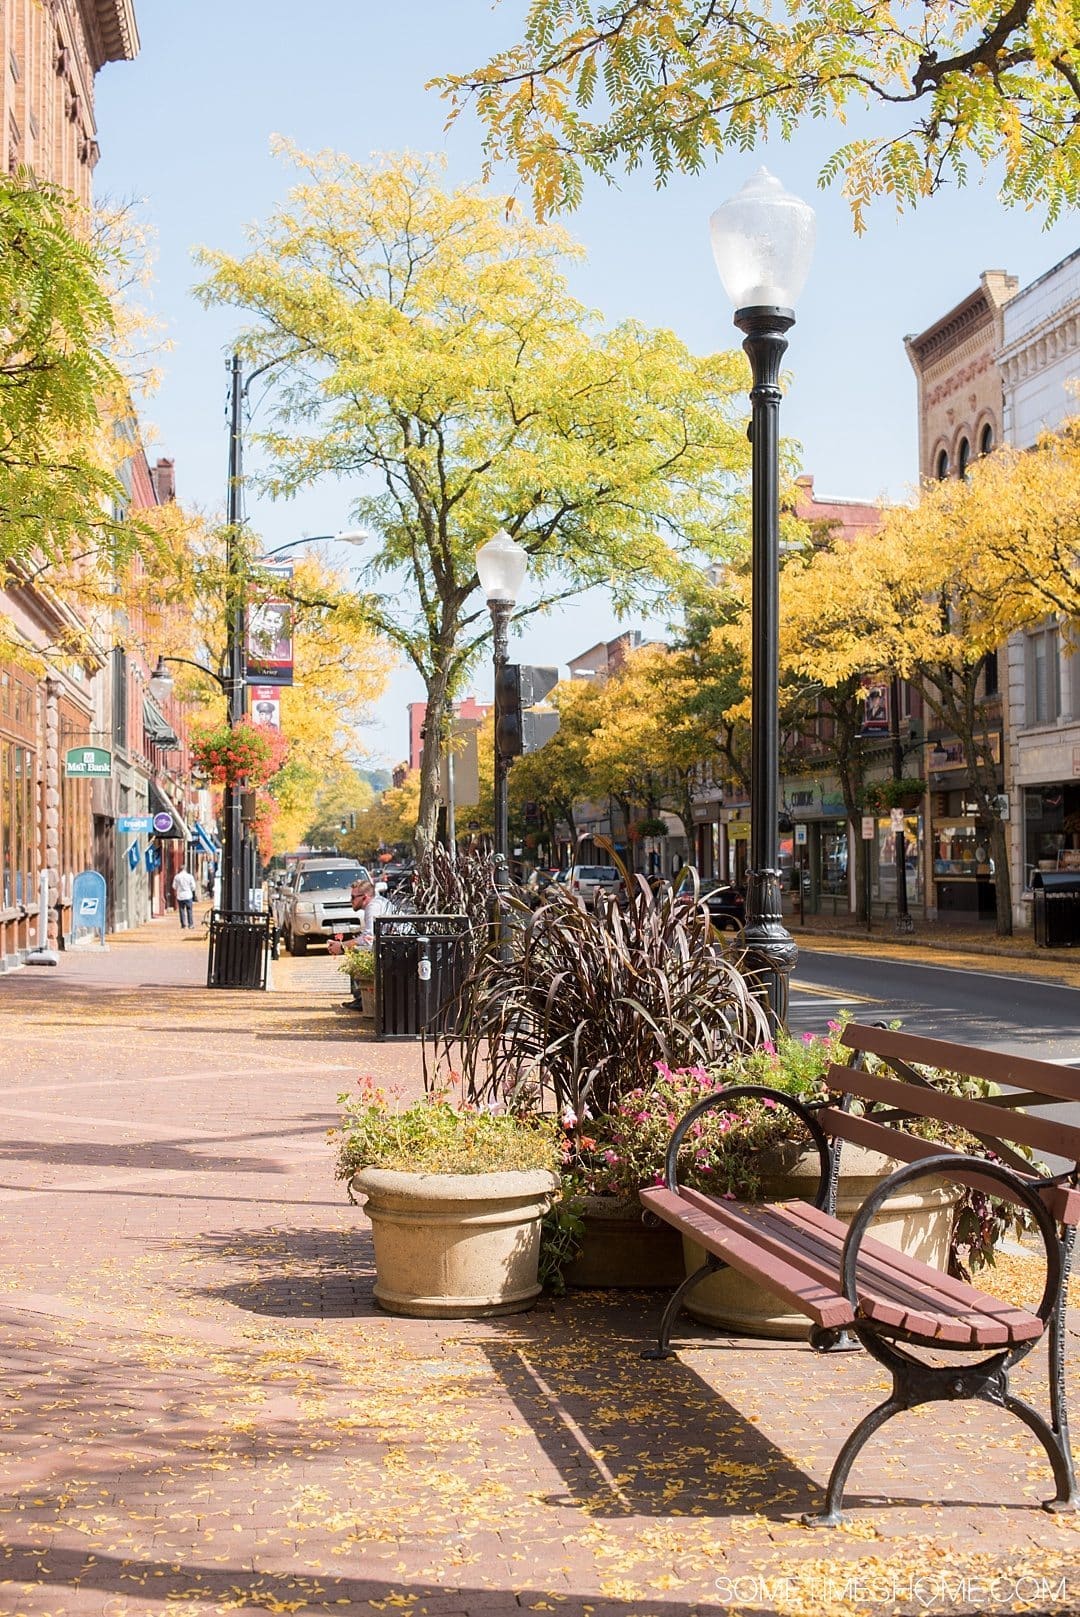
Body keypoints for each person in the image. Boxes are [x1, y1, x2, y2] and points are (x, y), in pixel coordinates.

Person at [350, 876, 391, 946]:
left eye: (353, 897)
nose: (351, 900)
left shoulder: (373, 907)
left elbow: (368, 939)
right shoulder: (377, 902)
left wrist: (342, 946)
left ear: (365, 897)